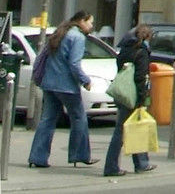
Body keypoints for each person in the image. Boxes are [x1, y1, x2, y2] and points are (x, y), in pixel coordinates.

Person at [29, 11, 96, 169]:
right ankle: (79, 155)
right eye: (90, 22)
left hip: (49, 83)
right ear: (81, 21)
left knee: (47, 120)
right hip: (66, 86)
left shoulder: (61, 32)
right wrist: (85, 80)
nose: (91, 26)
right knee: (79, 118)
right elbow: (74, 63)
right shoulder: (78, 37)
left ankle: (37, 157)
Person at [105, 23, 156, 177]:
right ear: (147, 37)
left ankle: (141, 163)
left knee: (132, 128)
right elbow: (141, 78)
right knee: (124, 131)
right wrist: (142, 100)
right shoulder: (142, 52)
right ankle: (112, 167)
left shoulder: (125, 49)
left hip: (123, 93)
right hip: (133, 95)